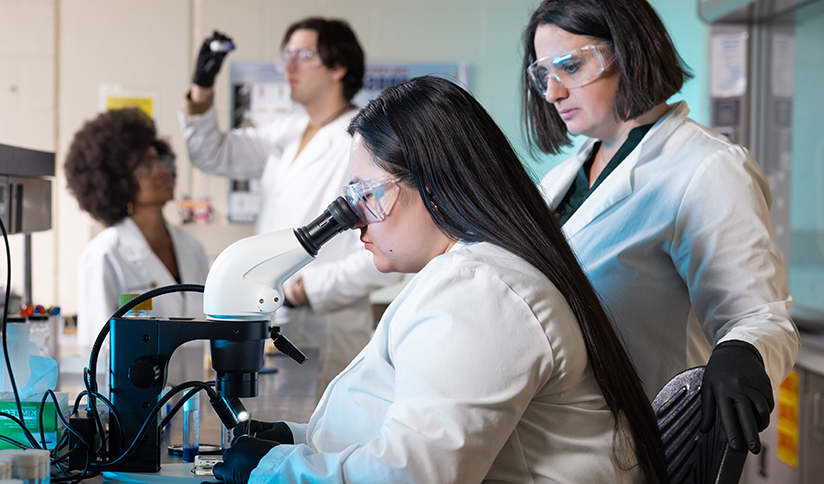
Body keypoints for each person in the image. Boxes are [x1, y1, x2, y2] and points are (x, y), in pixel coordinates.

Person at [212, 76, 668, 484]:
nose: (355, 221)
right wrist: (297, 438)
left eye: (367, 195)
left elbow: (414, 474)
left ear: (433, 185)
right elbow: (407, 432)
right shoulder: (471, 274)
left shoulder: (480, 293)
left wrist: (272, 469)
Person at [522, 0, 801, 455]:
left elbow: (757, 316)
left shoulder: (709, 167)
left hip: (642, 443)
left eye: (570, 67)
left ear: (628, 52)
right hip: (557, 437)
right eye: (542, 75)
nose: (552, 92)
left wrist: (743, 351)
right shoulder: (562, 178)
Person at [179, 17, 401, 396]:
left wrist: (308, 288)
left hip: (328, 323)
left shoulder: (365, 139)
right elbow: (213, 155)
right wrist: (201, 89)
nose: (289, 65)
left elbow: (390, 250)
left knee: (325, 418)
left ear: (338, 66)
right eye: (287, 54)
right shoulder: (288, 129)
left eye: (304, 55)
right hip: (273, 313)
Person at [66, 108, 209, 354]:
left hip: (196, 378)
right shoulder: (103, 255)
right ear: (117, 181)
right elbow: (96, 351)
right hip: (132, 380)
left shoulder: (192, 248)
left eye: (159, 160)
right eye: (145, 166)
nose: (162, 171)